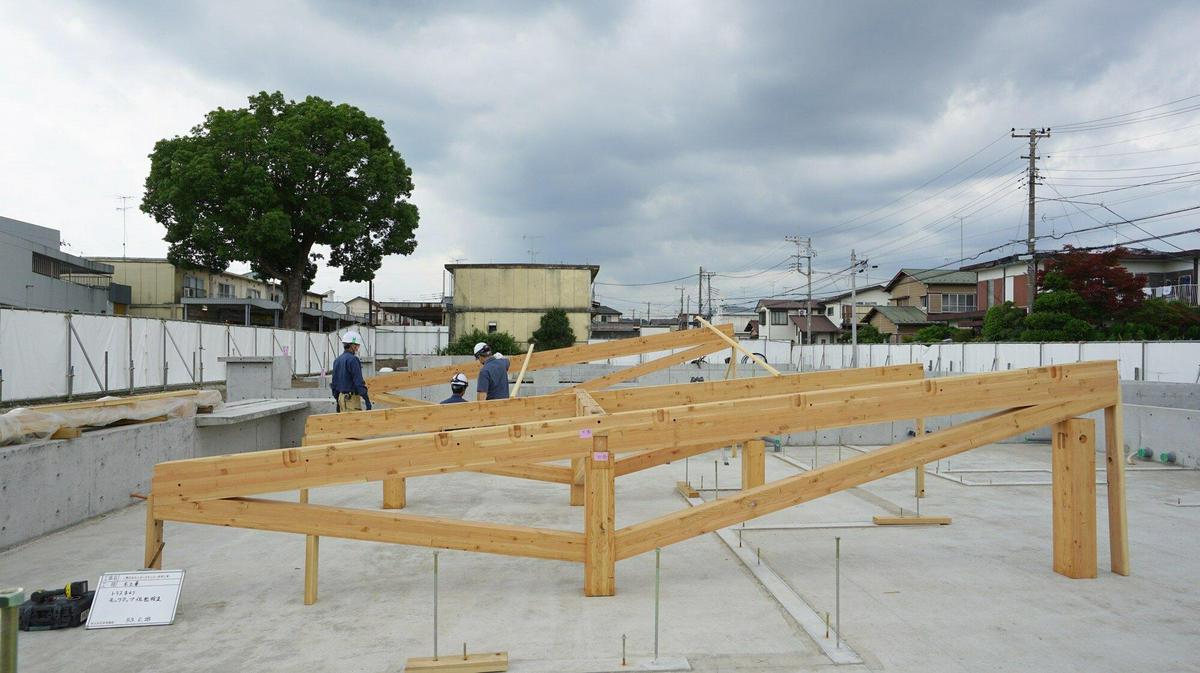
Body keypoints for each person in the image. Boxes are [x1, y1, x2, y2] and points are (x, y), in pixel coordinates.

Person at [331, 331, 372, 412]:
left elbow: (334, 383)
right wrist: (367, 400)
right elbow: (359, 382)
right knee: (355, 424)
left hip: (341, 399)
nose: (358, 348)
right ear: (353, 345)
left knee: (344, 424)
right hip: (351, 400)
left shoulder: (337, 360)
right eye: (357, 345)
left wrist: (337, 401)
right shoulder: (353, 360)